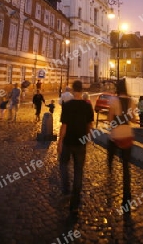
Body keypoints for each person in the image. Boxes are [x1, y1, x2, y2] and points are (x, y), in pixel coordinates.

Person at [57, 80, 94, 214]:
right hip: (81, 142)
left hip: (68, 141)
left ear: (73, 90)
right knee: (79, 170)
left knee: (63, 164)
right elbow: (90, 125)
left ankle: (66, 189)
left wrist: (59, 141)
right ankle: (75, 200)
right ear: (82, 90)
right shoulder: (87, 106)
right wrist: (88, 138)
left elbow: (64, 126)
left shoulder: (67, 105)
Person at [107, 80, 138, 210]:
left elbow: (110, 119)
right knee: (126, 168)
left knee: (111, 146)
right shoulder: (132, 101)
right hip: (128, 135)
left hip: (116, 134)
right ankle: (127, 198)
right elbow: (133, 119)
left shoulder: (113, 100)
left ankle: (110, 162)